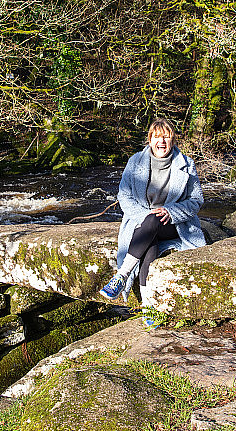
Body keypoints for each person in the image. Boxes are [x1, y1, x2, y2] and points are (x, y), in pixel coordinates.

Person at [99, 118, 207, 322]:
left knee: (154, 222)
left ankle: (121, 276)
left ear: (173, 140)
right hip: (143, 222)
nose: (162, 142)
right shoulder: (135, 162)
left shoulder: (186, 164)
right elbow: (124, 196)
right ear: (150, 140)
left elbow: (196, 200)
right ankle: (149, 306)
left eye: (166, 137)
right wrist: (144, 216)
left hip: (175, 224)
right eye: (157, 137)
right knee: (150, 240)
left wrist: (172, 212)